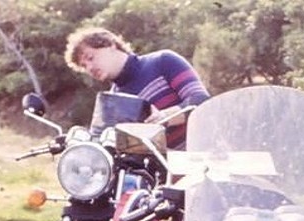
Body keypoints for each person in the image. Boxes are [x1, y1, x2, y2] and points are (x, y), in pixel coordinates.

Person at [64, 27, 210, 149]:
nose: (89, 68)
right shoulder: (112, 104)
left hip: (204, 156)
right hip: (166, 171)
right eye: (84, 66)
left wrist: (164, 117)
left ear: (111, 44)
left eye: (90, 58)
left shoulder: (163, 61)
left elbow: (201, 101)